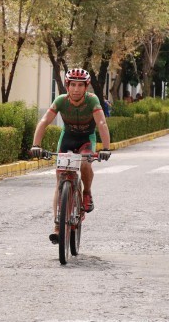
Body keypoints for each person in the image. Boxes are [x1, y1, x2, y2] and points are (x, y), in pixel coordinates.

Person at [30, 68, 111, 244]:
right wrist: (36, 145)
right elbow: (44, 121)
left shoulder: (92, 101)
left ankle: (87, 192)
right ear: (67, 85)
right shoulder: (61, 100)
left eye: (80, 85)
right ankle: (58, 227)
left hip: (86, 140)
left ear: (86, 87)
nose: (76, 89)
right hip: (67, 139)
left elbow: (102, 123)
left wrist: (105, 148)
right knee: (60, 181)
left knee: (84, 163)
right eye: (72, 84)